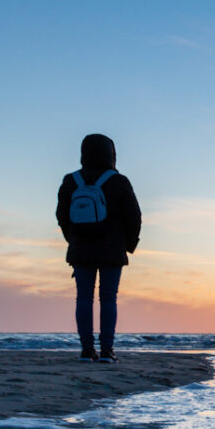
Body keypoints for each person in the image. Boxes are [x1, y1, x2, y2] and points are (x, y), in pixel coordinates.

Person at [55, 134, 141, 363]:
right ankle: (106, 351)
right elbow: (134, 216)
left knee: (83, 299)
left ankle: (86, 350)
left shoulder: (71, 180)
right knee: (108, 299)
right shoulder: (119, 181)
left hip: (81, 248)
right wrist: (129, 245)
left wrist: (72, 239)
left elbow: (61, 215)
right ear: (111, 153)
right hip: (112, 250)